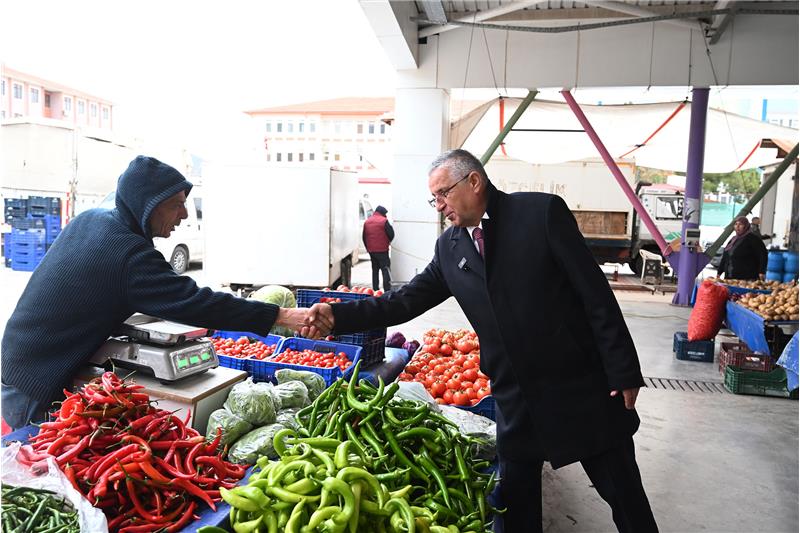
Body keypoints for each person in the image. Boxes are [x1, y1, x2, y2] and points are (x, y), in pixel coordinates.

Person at [305, 149, 658, 532]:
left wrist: (623, 369)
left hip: (577, 385)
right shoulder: (450, 247)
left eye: (444, 193)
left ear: (474, 182)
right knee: (517, 505)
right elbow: (403, 302)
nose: (440, 206)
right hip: (514, 396)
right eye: (434, 198)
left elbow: (595, 294)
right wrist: (337, 316)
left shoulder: (539, 214)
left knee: (623, 493)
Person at [1, 156, 309, 431]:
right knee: (38, 461)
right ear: (148, 205)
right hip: (36, 380)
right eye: (176, 204)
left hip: (19, 358)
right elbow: (194, 302)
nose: (184, 214)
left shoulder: (91, 219)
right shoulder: (129, 254)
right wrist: (280, 315)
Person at [718, 216, 768, 281]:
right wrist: (719, 272)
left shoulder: (753, 239)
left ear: (746, 226)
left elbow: (763, 255)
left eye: (740, 224)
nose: (737, 226)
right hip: (730, 277)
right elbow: (725, 257)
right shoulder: (733, 240)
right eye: (736, 224)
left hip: (747, 277)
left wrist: (762, 271)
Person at [362, 205, 394, 292]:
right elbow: (391, 234)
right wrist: (388, 242)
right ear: (383, 213)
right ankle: (387, 290)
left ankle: (375, 290)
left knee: (375, 270)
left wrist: (368, 248)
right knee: (385, 270)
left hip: (372, 251)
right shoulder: (384, 221)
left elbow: (364, 237)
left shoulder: (367, 222)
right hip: (382, 250)